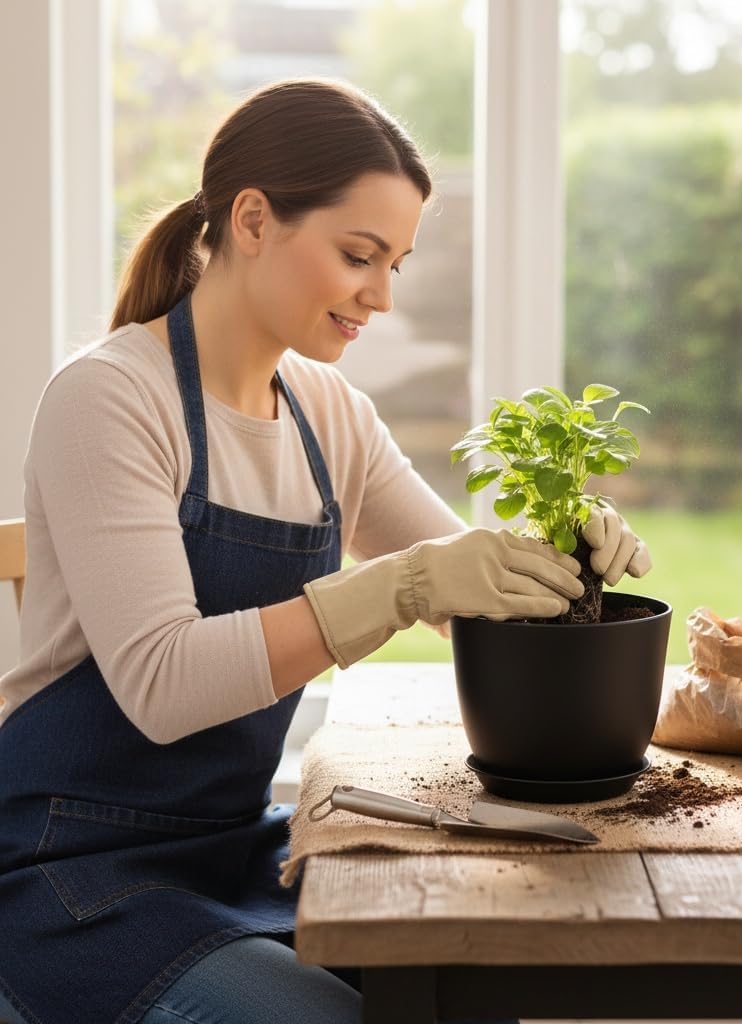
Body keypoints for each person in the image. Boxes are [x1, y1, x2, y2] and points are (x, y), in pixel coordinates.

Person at [0, 78, 651, 1024]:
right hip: (70, 874)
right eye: (359, 255)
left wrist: (566, 556)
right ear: (253, 220)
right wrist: (402, 586)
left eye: (397, 264)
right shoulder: (109, 399)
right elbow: (163, 681)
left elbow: (456, 576)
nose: (381, 296)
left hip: (230, 849)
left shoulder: (327, 412)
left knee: (480, 984)